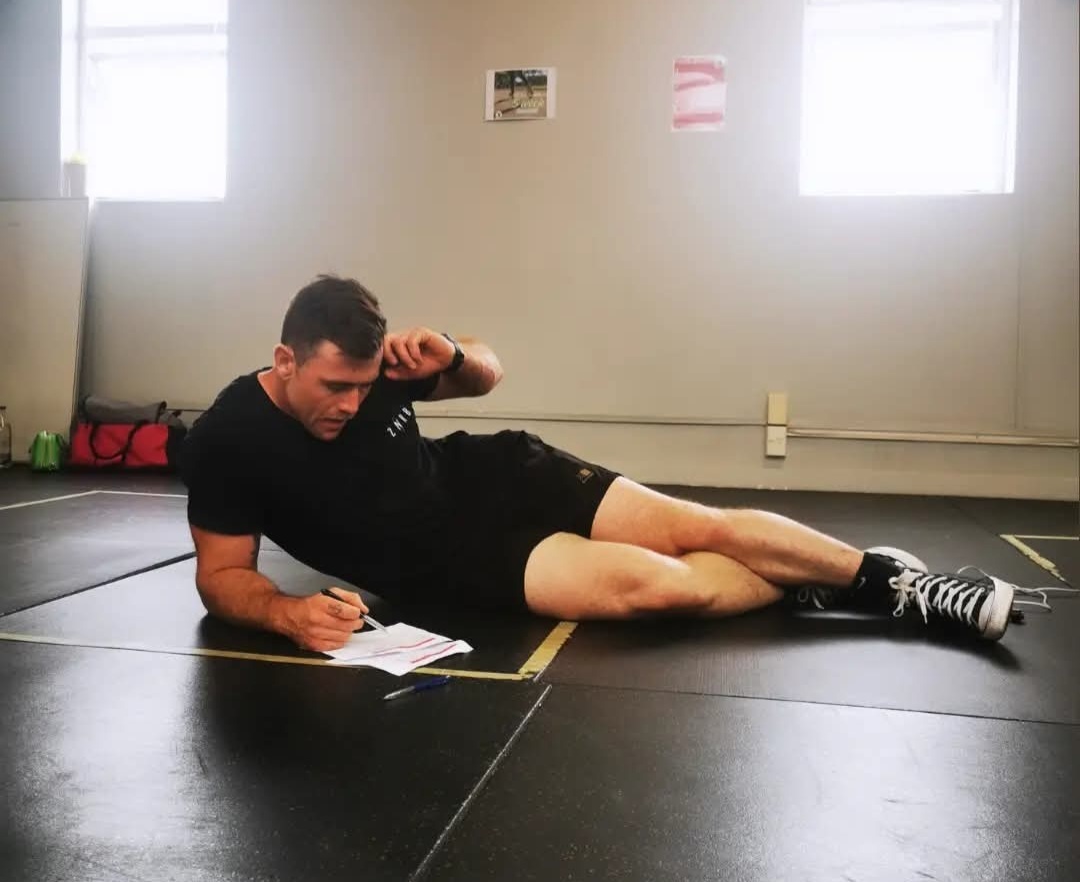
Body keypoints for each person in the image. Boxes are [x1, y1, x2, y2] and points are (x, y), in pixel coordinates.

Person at [182, 275, 1027, 655]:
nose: (351, 402)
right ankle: (805, 576)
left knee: (701, 526)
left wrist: (453, 349)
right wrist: (287, 614)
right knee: (664, 586)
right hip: (454, 560)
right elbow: (221, 576)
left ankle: (897, 583)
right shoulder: (228, 438)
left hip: (496, 472)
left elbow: (485, 371)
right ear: (285, 359)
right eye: (334, 386)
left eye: (365, 387)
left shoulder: (379, 368)